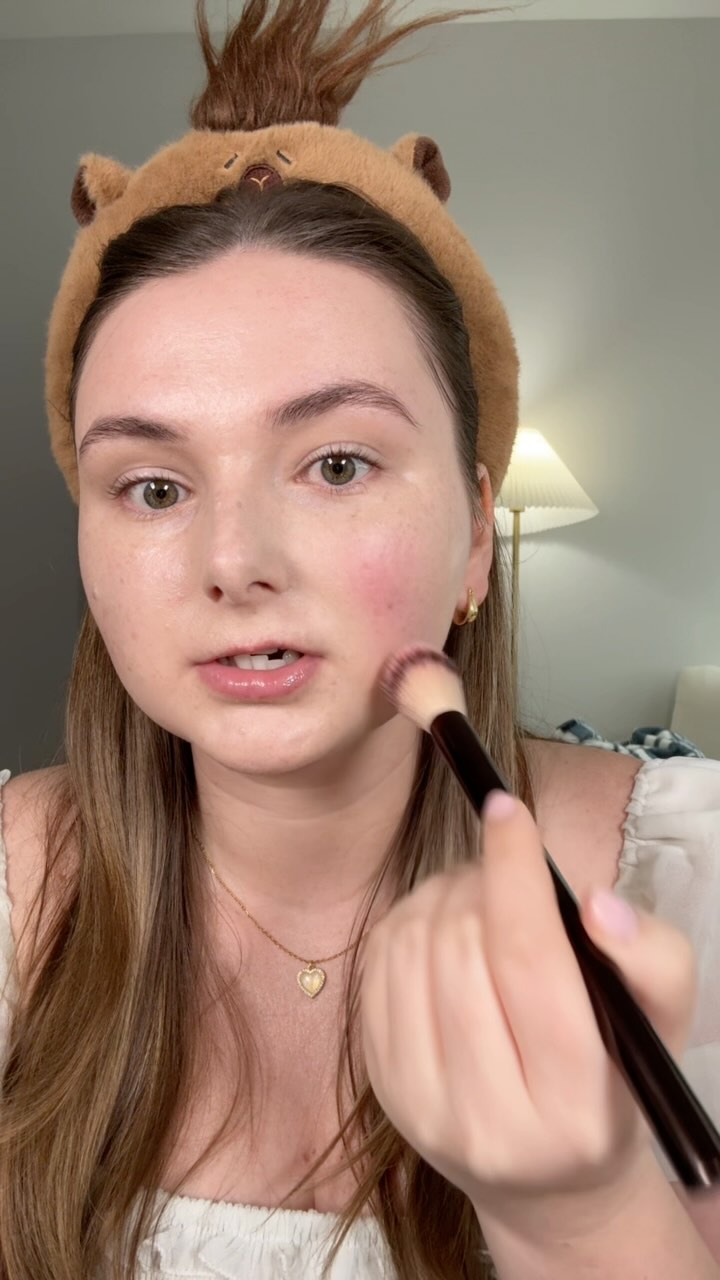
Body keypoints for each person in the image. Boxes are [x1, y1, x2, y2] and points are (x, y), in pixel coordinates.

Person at [1, 1, 718, 1276]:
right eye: (153, 487)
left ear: (474, 534)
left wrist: (586, 1220)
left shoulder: (688, 879)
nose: (234, 561)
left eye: (337, 463)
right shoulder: (13, 893)